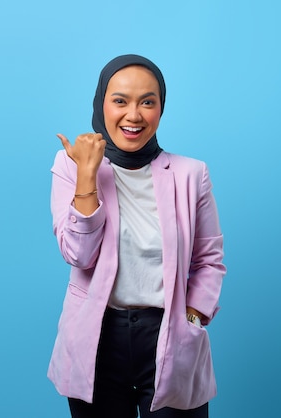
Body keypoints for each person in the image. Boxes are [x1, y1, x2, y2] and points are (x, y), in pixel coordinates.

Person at [47, 54, 226, 418]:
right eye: (120, 101)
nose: (134, 114)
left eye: (148, 101)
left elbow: (209, 259)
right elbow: (79, 256)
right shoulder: (70, 165)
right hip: (97, 338)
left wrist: (193, 315)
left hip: (169, 333)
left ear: (161, 108)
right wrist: (87, 175)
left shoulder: (191, 174)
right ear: (101, 104)